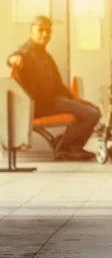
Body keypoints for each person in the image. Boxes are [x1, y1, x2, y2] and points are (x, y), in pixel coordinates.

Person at [7, 16, 101, 161]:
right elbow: (16, 56)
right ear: (31, 31)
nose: (45, 34)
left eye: (48, 31)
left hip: (52, 101)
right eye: (41, 30)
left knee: (93, 110)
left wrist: (75, 101)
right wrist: (12, 59)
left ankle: (69, 145)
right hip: (41, 106)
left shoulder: (45, 55)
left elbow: (58, 85)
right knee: (92, 114)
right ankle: (66, 147)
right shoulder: (27, 51)